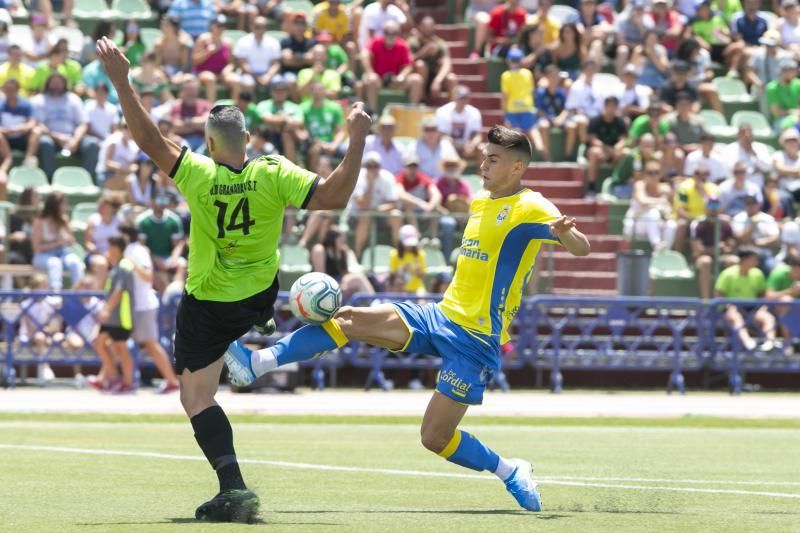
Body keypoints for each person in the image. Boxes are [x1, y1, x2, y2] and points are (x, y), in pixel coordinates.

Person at [224, 125, 591, 513]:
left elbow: (581, 247)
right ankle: (257, 362)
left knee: (434, 437)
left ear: (518, 168)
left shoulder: (532, 206)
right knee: (348, 318)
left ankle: (509, 471)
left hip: (476, 339)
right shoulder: (481, 201)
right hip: (440, 315)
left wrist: (566, 235)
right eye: (484, 156)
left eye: (493, 159)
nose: (483, 164)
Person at [96, 35, 372, 523]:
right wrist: (357, 139)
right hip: (260, 293)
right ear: (248, 140)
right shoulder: (272, 171)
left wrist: (122, 81)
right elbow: (333, 198)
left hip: (208, 302)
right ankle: (253, 336)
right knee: (252, 307)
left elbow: (149, 141)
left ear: (207, 143)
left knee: (195, 396)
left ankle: (234, 488)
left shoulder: (198, 173)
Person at [119, 225, 181, 394]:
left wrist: (133, 264)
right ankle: (126, 381)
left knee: (151, 345)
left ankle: (171, 381)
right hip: (134, 306)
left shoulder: (137, 251)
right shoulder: (129, 250)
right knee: (121, 342)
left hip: (144, 305)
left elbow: (148, 277)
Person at [91, 235, 137, 394]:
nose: (107, 251)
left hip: (120, 316)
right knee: (100, 342)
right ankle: (114, 378)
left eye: (109, 247)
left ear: (116, 249)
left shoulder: (124, 266)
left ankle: (127, 382)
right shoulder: (117, 266)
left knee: (120, 347)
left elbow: (119, 291)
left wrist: (106, 309)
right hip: (113, 316)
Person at [33, 73, 100, 179]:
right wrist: (57, 137)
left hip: (72, 137)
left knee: (92, 144)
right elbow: (38, 124)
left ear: (64, 84)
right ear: (48, 84)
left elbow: (83, 123)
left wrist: (75, 140)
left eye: (59, 83)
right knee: (45, 143)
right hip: (51, 137)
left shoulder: (73, 99)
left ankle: (86, 179)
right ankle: (49, 179)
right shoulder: (39, 100)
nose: (56, 86)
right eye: (53, 83)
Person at [715, 246, 777, 353]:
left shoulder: (758, 273)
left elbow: (763, 294)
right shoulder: (727, 274)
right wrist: (727, 306)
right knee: (735, 318)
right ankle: (748, 343)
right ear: (744, 259)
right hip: (731, 308)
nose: (757, 261)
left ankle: (770, 342)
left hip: (752, 309)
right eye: (754, 258)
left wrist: (763, 307)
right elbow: (719, 295)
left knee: (768, 318)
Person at [350, 151, 403, 258]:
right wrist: (371, 184)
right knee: (365, 218)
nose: (373, 169)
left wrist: (375, 210)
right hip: (357, 216)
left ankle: (399, 255)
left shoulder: (387, 177)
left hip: (378, 214)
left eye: (376, 166)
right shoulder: (357, 177)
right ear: (365, 166)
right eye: (369, 166)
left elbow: (393, 203)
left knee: (396, 215)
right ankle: (357, 256)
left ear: (380, 166)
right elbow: (362, 205)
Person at [361, 20, 423, 111]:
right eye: (387, 32)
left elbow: (408, 65)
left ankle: (412, 111)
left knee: (416, 79)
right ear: (383, 33)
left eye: (394, 33)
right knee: (371, 79)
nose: (390, 36)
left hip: (395, 81)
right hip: (378, 81)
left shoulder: (402, 45)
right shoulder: (375, 42)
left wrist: (402, 76)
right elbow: (364, 55)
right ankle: (372, 114)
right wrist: (370, 73)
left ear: (398, 34)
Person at [31, 192, 85, 290]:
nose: (65, 206)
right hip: (43, 256)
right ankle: (56, 295)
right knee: (55, 263)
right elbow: (36, 247)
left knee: (75, 262)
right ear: (55, 206)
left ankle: (80, 294)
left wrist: (65, 237)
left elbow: (72, 241)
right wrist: (56, 243)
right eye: (63, 204)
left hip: (63, 253)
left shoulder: (64, 219)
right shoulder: (40, 220)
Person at [622, 159, 676, 250]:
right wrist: (660, 201)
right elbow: (643, 201)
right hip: (635, 223)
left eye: (656, 172)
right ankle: (656, 245)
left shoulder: (664, 188)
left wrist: (664, 218)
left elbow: (669, 208)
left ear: (661, 174)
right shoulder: (639, 185)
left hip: (656, 224)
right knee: (653, 214)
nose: (654, 176)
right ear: (644, 174)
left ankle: (665, 252)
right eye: (650, 173)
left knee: (671, 224)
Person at [690, 195, 737, 299]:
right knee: (706, 261)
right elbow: (698, 250)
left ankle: (728, 302)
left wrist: (726, 248)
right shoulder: (699, 223)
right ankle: (706, 302)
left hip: (721, 256)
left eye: (716, 204)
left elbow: (731, 244)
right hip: (703, 257)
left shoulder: (725, 223)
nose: (713, 207)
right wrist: (714, 249)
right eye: (710, 204)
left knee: (733, 261)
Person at [501, 48, 544, 158]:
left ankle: (513, 156)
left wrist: (504, 111)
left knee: (512, 133)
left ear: (508, 61)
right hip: (527, 107)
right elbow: (531, 91)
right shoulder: (527, 73)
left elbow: (505, 96)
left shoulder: (506, 75)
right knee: (532, 130)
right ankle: (540, 148)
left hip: (512, 108)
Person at [310, 226, 374, 301]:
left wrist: (344, 283)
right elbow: (321, 276)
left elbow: (345, 272)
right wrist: (338, 285)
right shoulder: (320, 250)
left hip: (339, 280)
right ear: (332, 239)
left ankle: (374, 302)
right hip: (324, 284)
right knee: (358, 279)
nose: (343, 241)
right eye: (341, 239)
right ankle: (374, 303)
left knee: (359, 277)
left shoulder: (343, 251)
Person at [0, 77, 39, 189]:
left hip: (22, 137)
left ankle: (27, 160)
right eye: (7, 90)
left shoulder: (26, 105)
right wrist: (4, 130)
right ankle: (8, 158)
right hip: (4, 139)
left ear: (17, 90)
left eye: (12, 90)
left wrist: (18, 129)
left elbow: (32, 123)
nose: (9, 93)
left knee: (37, 131)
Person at [192, 14, 240, 103]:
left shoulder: (228, 42)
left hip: (221, 74)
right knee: (210, 78)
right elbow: (195, 61)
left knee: (236, 80)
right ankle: (211, 110)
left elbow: (231, 63)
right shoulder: (202, 39)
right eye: (218, 25)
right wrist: (208, 52)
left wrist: (227, 70)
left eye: (223, 26)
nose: (220, 28)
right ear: (211, 26)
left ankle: (234, 111)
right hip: (203, 72)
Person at [586, 96, 628, 194]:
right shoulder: (595, 120)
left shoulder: (620, 122)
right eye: (609, 106)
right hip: (600, 150)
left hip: (613, 151)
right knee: (595, 152)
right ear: (605, 106)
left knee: (625, 153)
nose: (611, 108)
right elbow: (593, 140)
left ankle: (618, 184)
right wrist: (607, 149)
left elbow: (623, 140)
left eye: (613, 106)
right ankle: (591, 187)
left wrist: (616, 148)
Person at [732, 194, 781, 272]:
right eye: (748, 204)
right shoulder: (738, 218)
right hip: (744, 255)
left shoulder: (767, 219)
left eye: (753, 204)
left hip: (763, 255)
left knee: (775, 268)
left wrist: (760, 242)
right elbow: (740, 238)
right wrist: (752, 227)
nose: (751, 207)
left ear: (758, 205)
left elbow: (774, 238)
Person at [233, 16, 282, 93]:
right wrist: (257, 78)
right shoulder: (243, 41)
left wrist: (268, 76)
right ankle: (251, 105)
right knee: (249, 84)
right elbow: (242, 64)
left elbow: (276, 64)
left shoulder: (273, 42)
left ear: (266, 28)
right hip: (249, 75)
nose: (260, 29)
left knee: (279, 83)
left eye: (263, 27)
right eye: (257, 27)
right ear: (252, 27)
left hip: (268, 74)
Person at [435, 85, 483, 161]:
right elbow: (441, 135)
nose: (463, 101)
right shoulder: (442, 111)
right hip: (449, 144)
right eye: (461, 98)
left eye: (465, 98)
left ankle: (480, 173)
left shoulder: (474, 112)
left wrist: (472, 145)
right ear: (454, 98)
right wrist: (455, 145)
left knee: (482, 149)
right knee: (444, 145)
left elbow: (477, 135)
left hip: (466, 146)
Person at [390, 224, 427, 294]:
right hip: (399, 291)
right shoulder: (394, 254)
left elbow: (422, 277)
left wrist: (418, 271)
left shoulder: (420, 254)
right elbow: (393, 277)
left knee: (422, 301)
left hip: (417, 289)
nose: (409, 246)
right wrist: (402, 270)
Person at [766, 58, 800, 129]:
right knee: (794, 123)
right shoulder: (772, 88)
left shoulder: (798, 84)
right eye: (792, 70)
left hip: (797, 116)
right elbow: (776, 112)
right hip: (781, 120)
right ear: (783, 72)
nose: (795, 73)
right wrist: (792, 112)